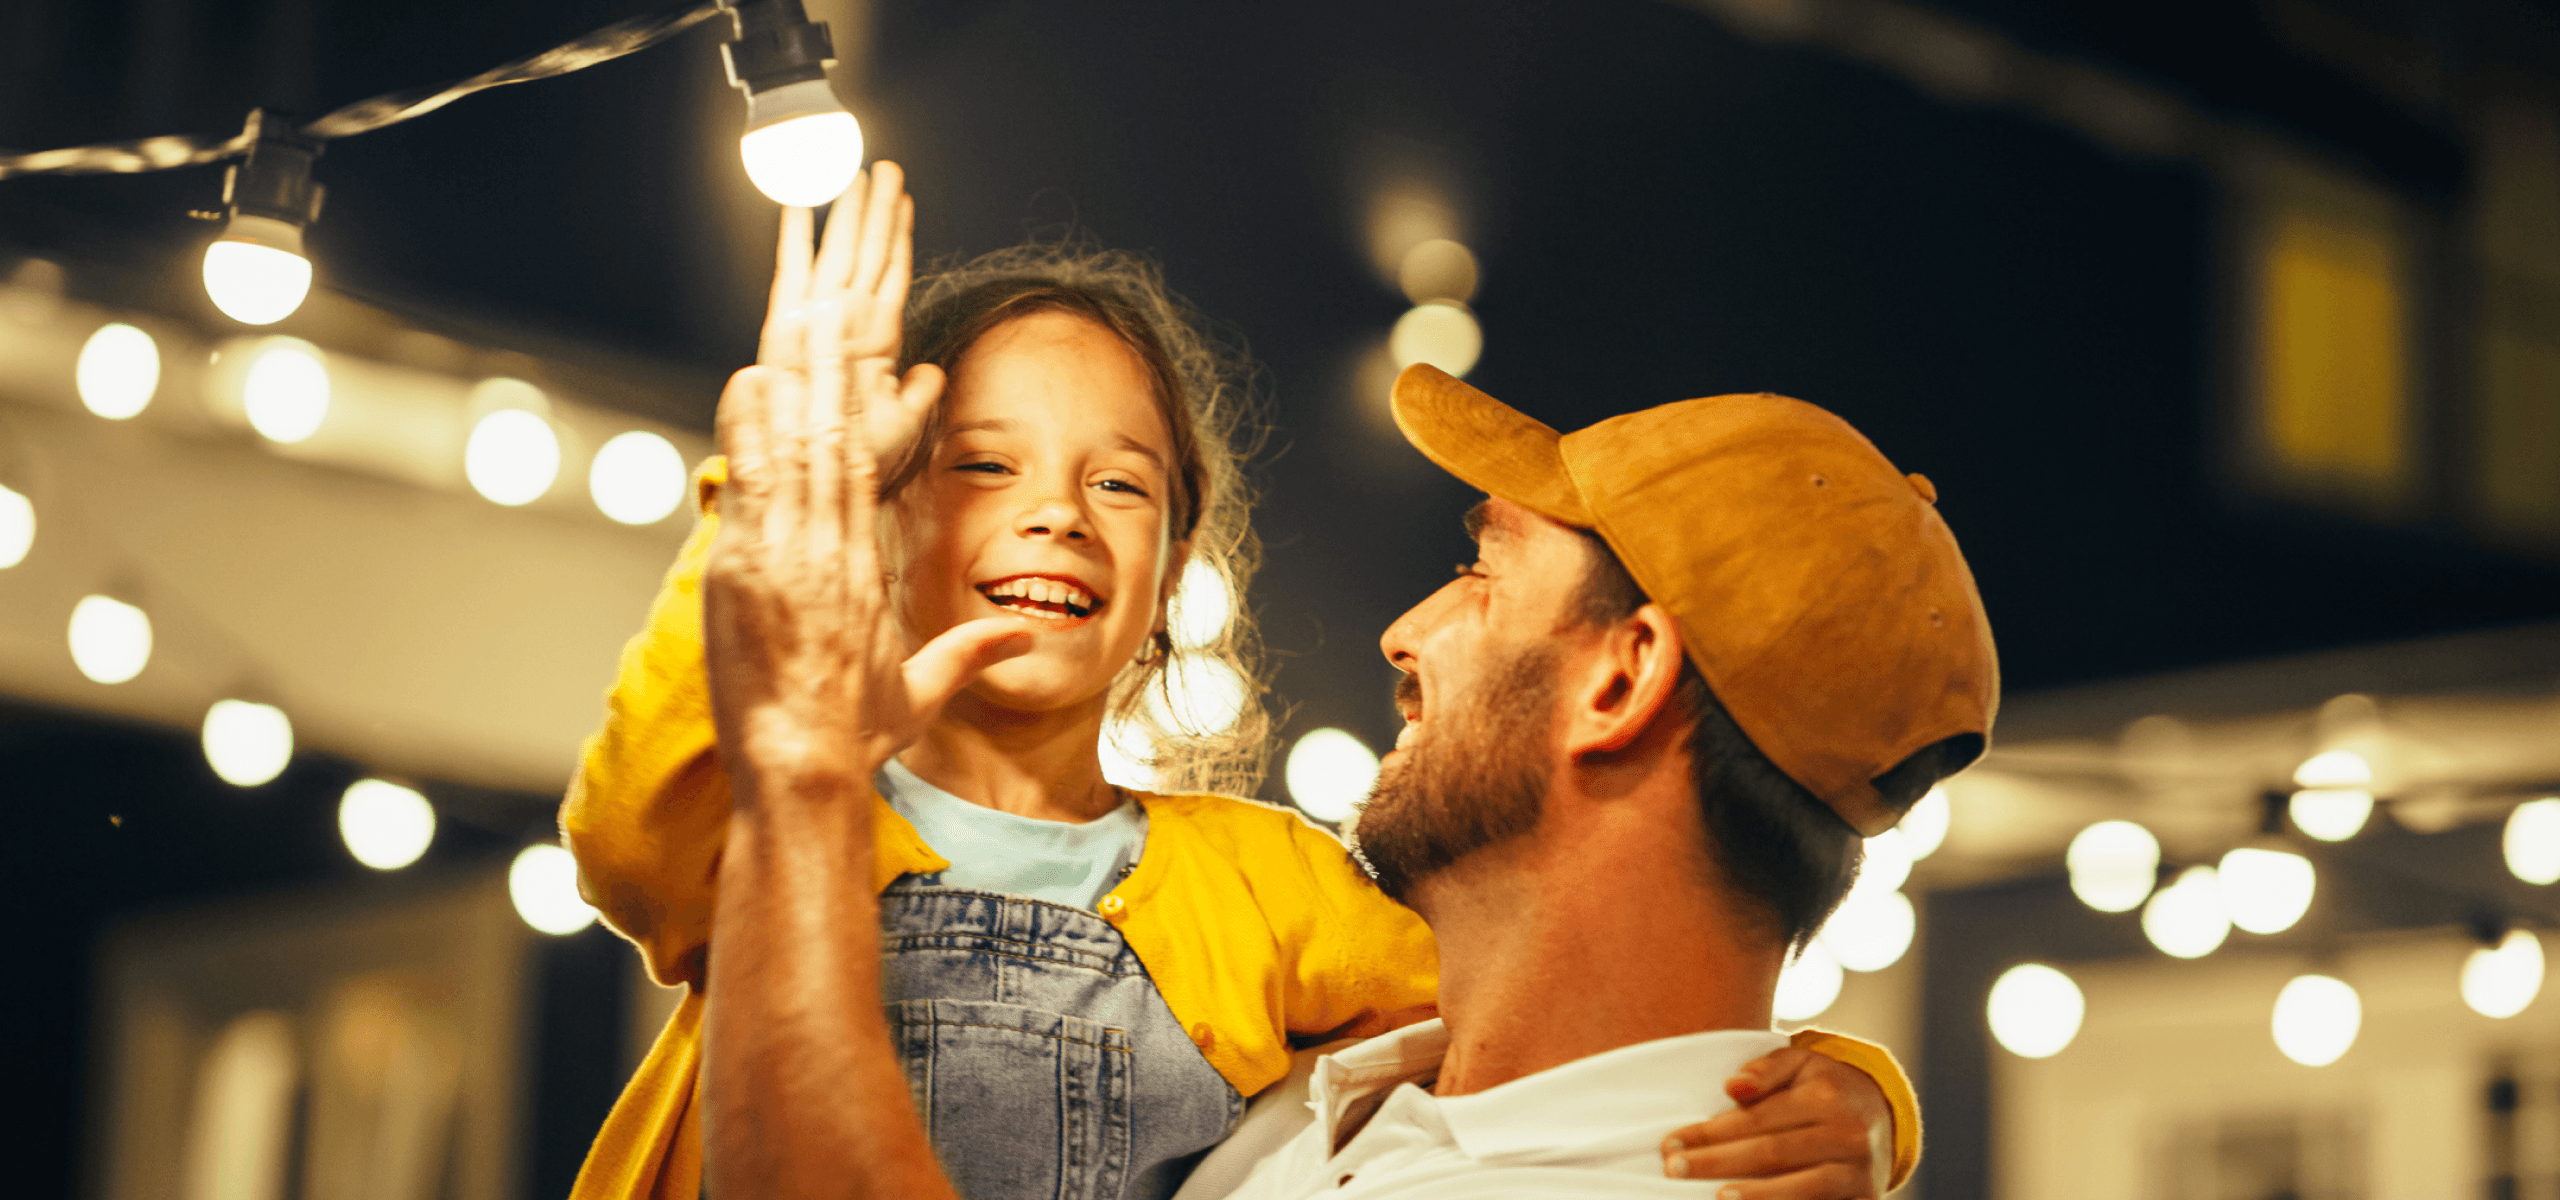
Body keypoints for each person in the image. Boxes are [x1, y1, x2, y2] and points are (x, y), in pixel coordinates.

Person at [564, 164, 1921, 1200]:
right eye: (981, 465)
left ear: (1172, 575)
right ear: (884, 515)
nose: (1056, 514)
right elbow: (631, 826)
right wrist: (774, 508)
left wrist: (1839, 1089)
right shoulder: (764, 823)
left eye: (1119, 484)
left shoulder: (1264, 891)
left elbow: (1561, 1004)